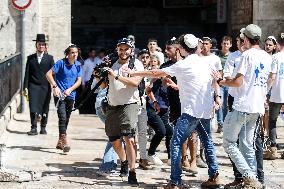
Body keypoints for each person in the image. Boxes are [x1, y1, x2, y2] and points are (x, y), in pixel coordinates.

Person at [124, 34, 223, 189]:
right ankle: (214, 175)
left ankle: (175, 181)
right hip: (205, 110)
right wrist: (216, 96)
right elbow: (205, 83)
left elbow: (156, 73)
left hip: (191, 111)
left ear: (182, 48)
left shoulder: (183, 64)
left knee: (175, 143)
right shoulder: (206, 62)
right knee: (207, 141)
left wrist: (134, 73)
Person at [213, 24, 271, 189]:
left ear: (245, 38)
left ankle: (249, 176)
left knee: (229, 143)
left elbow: (237, 82)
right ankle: (253, 182)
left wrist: (221, 81)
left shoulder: (247, 56)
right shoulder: (266, 56)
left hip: (242, 106)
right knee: (246, 145)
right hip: (256, 107)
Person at [100, 38, 144, 186]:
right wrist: (99, 75)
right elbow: (104, 85)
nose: (123, 52)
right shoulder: (111, 63)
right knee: (114, 140)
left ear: (131, 50)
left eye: (126, 49)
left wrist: (116, 75)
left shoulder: (136, 64)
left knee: (129, 138)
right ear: (117, 49)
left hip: (130, 104)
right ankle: (124, 161)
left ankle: (132, 172)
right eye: (121, 49)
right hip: (113, 105)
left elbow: (135, 83)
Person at [46, 44, 82, 152]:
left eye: (76, 52)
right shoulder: (60, 63)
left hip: (71, 95)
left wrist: (70, 89)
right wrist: (55, 86)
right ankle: (64, 141)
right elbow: (48, 74)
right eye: (72, 52)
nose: (75, 54)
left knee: (66, 118)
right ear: (67, 54)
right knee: (62, 117)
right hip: (59, 95)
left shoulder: (78, 65)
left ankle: (60, 141)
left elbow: (79, 81)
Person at [24, 34, 54, 135]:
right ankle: (33, 127)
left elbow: (53, 73)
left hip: (45, 87)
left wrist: (54, 86)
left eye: (43, 44)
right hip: (33, 86)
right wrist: (25, 87)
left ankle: (43, 127)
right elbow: (27, 73)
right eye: (39, 44)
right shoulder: (30, 58)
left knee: (45, 107)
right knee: (33, 107)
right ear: (36, 45)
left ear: (45, 46)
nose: (41, 46)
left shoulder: (50, 58)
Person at [266, 34, 284, 160]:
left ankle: (273, 149)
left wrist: (266, 91)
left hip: (277, 94)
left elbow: (272, 76)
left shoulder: (276, 57)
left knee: (272, 121)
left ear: (278, 44)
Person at [215, 36, 232, 133]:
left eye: (227, 43)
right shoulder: (217, 56)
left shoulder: (232, 56)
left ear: (230, 45)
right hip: (220, 83)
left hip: (229, 83)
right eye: (224, 43)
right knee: (220, 103)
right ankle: (220, 123)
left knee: (226, 104)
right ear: (221, 44)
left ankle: (225, 122)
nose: (225, 45)